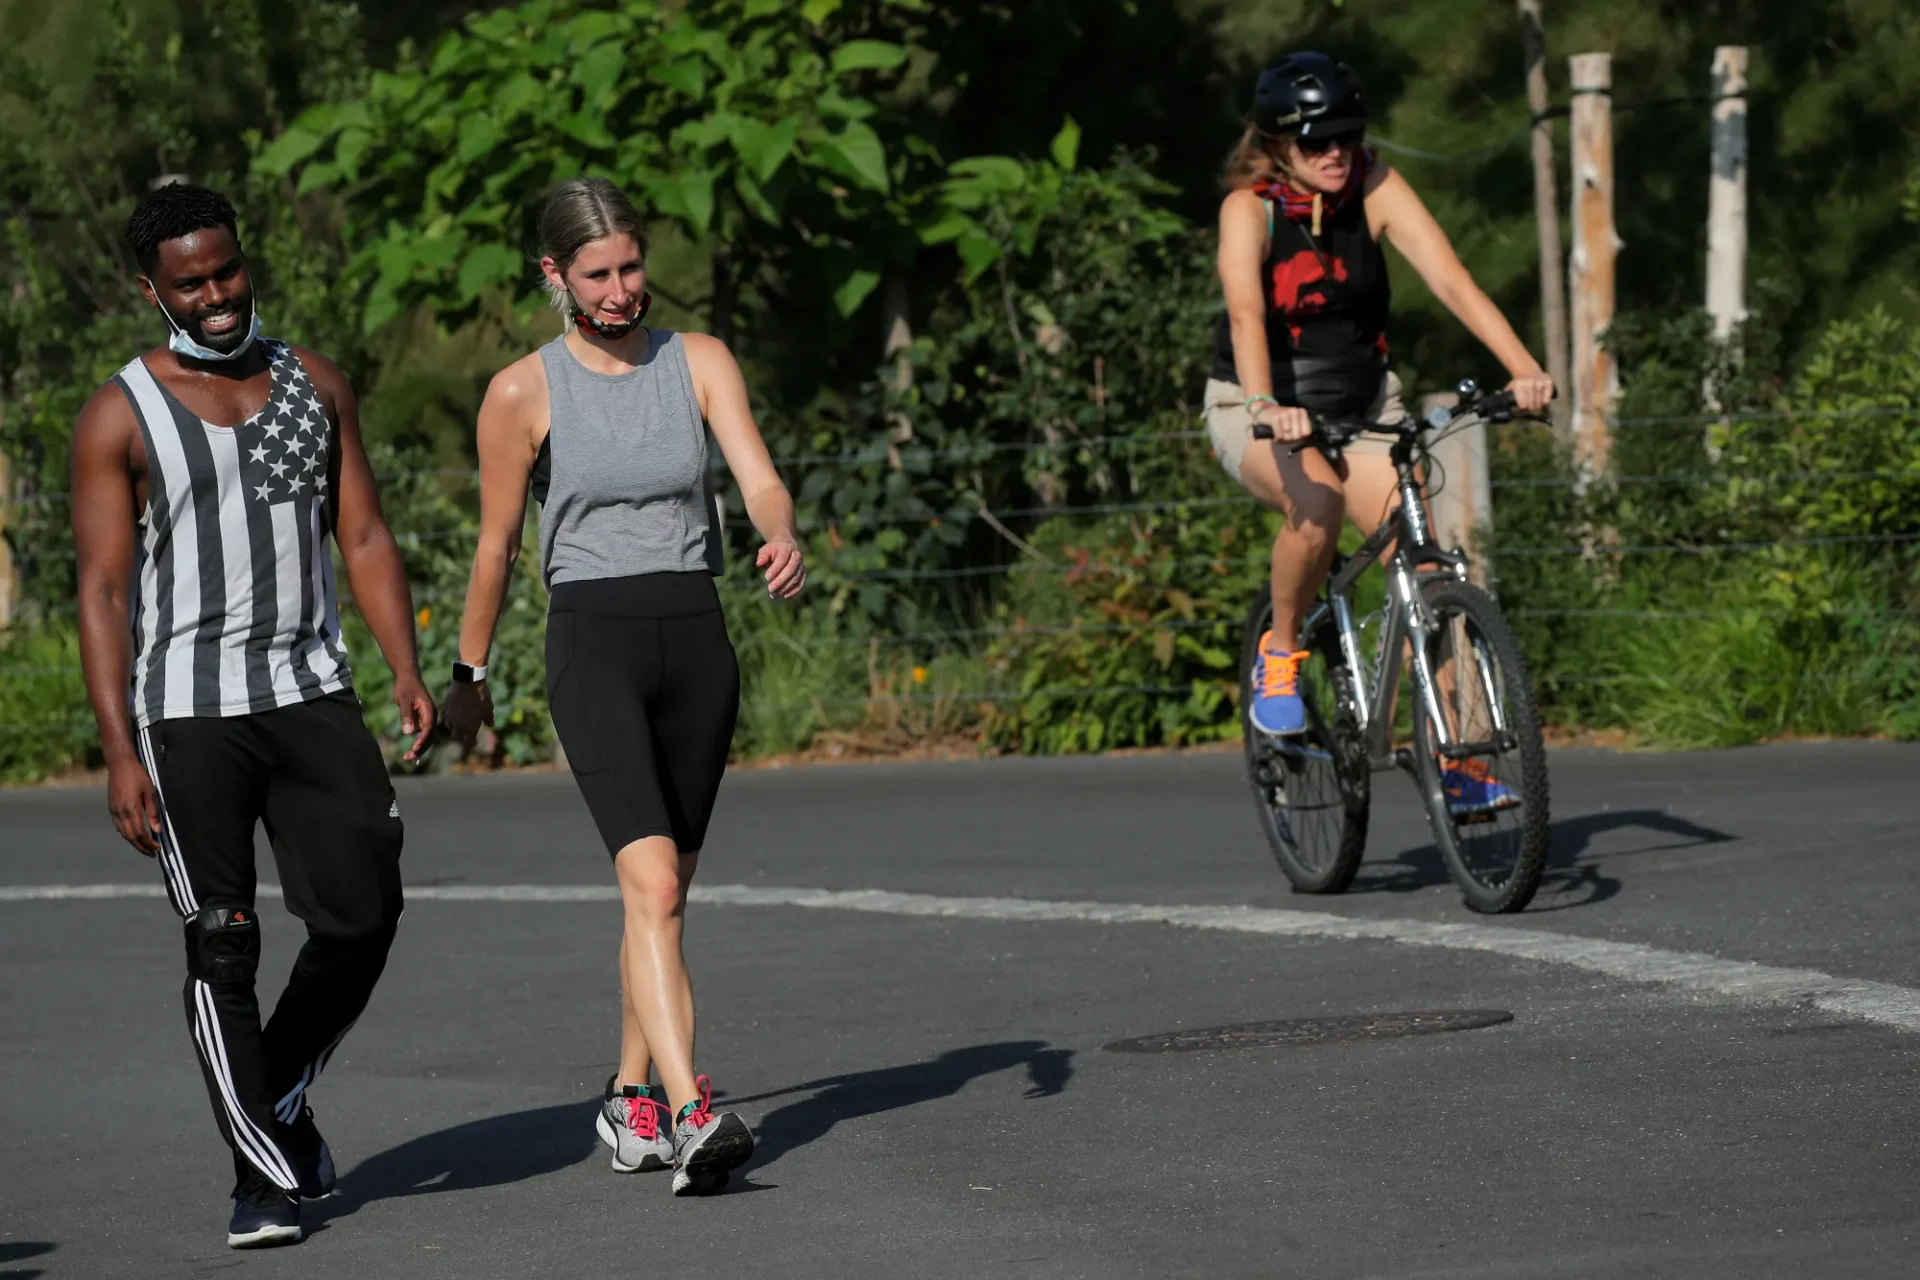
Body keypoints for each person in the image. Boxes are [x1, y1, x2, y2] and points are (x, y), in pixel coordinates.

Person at [70, 182, 435, 1248]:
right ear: (153, 290)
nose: (218, 293)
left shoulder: (311, 382)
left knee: (363, 914)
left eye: (227, 270)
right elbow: (100, 589)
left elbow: (361, 536)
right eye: (192, 282)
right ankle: (260, 1172)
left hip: (310, 689)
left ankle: (268, 1092)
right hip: (187, 714)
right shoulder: (118, 413)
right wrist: (117, 749)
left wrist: (403, 665)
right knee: (221, 942)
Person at [439, 177, 805, 1196]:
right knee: (650, 883)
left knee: (667, 894)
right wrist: (468, 677)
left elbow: (757, 474)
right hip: (592, 641)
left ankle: (628, 1091)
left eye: (632, 267)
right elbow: (497, 544)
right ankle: (693, 1113)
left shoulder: (700, 361)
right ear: (555, 275)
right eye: (596, 274)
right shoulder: (523, 390)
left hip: (696, 638)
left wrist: (779, 529)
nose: (619, 289)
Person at [1207, 53, 1554, 814]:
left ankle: (1454, 756)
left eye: (1348, 135)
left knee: (1432, 573)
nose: (1336, 152)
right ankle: (1283, 650)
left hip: (1362, 405)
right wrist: (1267, 403)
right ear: (1274, 146)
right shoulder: (1250, 210)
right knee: (1320, 503)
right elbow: (1246, 316)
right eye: (1315, 141)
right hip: (1259, 402)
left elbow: (1452, 279)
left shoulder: (1377, 185)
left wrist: (1524, 367)